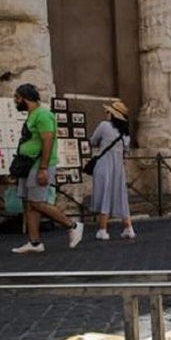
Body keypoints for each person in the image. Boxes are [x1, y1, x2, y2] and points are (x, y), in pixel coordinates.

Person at [11, 83, 84, 254]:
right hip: (27, 164)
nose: (15, 101)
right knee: (29, 204)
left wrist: (43, 168)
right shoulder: (32, 114)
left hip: (38, 165)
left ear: (26, 98)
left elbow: (48, 140)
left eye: (17, 97)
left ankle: (72, 225)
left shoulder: (43, 115)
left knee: (37, 202)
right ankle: (35, 243)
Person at [90, 100, 135, 240]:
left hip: (104, 165)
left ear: (113, 114)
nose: (106, 113)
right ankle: (128, 228)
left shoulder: (104, 126)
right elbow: (126, 152)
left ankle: (103, 230)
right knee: (121, 196)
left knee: (104, 194)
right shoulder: (126, 135)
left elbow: (93, 141)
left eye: (108, 111)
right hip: (118, 168)